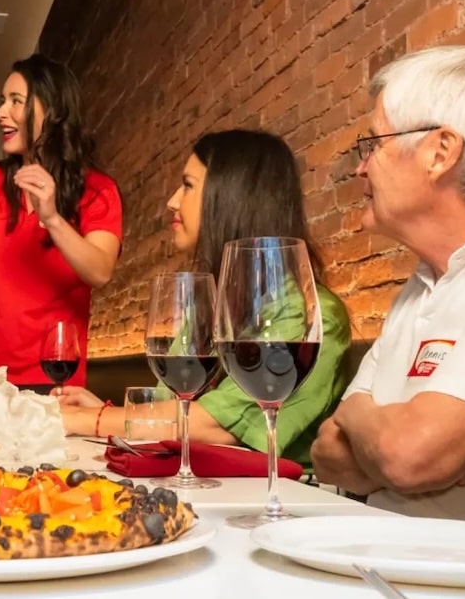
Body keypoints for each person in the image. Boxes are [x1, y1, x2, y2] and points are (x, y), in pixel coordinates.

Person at [59, 130, 352, 471]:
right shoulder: (211, 304)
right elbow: (175, 405)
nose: (171, 201)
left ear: (228, 197)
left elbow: (215, 426)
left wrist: (92, 419)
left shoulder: (312, 316)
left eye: (186, 185)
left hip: (283, 499)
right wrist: (105, 411)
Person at [311, 45, 465, 520]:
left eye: (375, 145)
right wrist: (376, 433)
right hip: (384, 562)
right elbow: (328, 454)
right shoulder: (422, 284)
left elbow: (409, 456)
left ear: (440, 153)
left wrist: (364, 423)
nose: (361, 167)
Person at [0, 54, 123, 391]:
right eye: (3, 101)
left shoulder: (97, 191)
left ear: (54, 112)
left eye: (16, 101)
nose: (1, 112)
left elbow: (100, 271)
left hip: (54, 376)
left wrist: (52, 218)